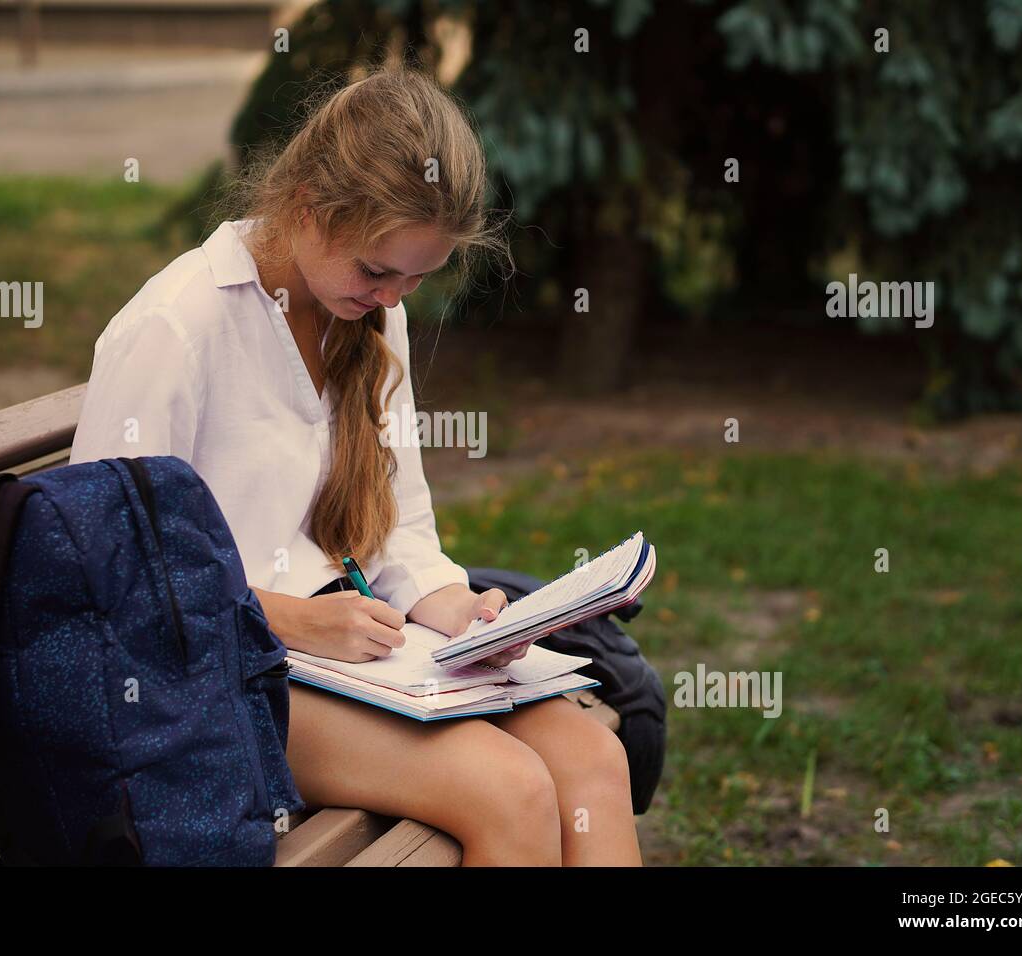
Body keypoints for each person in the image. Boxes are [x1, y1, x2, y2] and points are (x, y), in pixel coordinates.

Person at [69, 65, 640, 866]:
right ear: (307, 206)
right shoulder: (177, 328)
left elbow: (397, 528)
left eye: (416, 278)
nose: (393, 298)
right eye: (377, 271)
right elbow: (112, 583)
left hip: (360, 658)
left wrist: (459, 612)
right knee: (511, 790)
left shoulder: (365, 316)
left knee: (593, 760)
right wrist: (292, 618)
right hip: (222, 682)